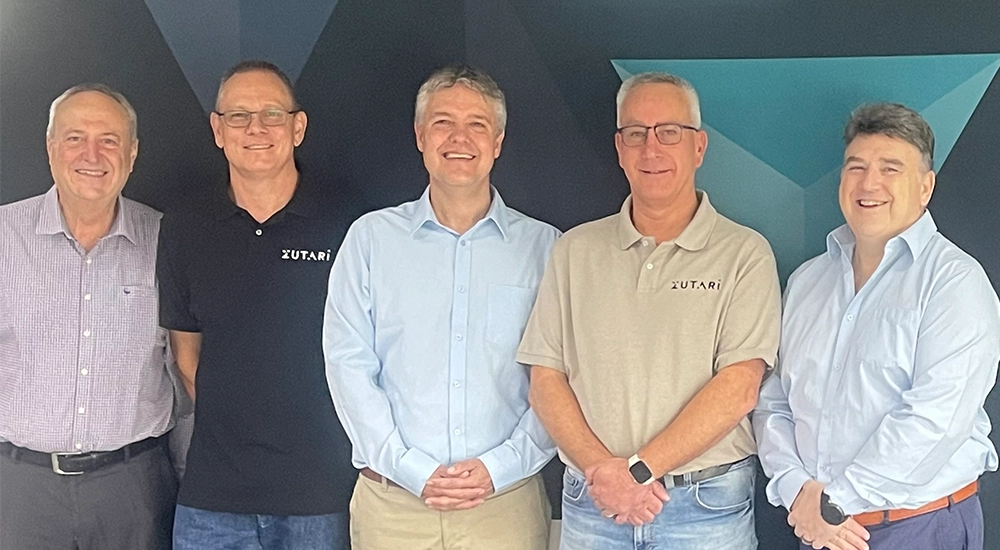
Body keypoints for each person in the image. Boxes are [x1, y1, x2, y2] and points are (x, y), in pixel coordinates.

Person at [517, 71, 781, 549]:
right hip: (594, 504)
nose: (651, 149)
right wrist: (605, 475)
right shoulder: (574, 250)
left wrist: (638, 473)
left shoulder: (745, 253)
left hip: (705, 510)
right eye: (636, 133)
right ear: (619, 148)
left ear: (698, 147)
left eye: (669, 132)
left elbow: (739, 387)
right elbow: (545, 381)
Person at [323, 65, 558, 550]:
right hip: (392, 507)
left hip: (504, 507)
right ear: (419, 136)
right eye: (442, 122)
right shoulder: (371, 240)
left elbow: (560, 378)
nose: (459, 138)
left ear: (497, 142)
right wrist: (410, 469)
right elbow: (348, 365)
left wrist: (500, 467)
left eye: (477, 125)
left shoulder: (545, 249)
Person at [754, 102, 1000, 550]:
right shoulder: (807, 282)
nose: (869, 183)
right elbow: (774, 400)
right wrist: (795, 489)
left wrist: (833, 504)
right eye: (857, 167)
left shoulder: (955, 283)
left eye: (891, 169)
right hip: (816, 525)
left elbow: (936, 420)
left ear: (925, 187)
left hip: (918, 528)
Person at [158, 60, 354, 549]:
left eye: (271, 114)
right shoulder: (184, 225)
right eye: (239, 116)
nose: (256, 129)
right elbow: (186, 356)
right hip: (213, 497)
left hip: (321, 493)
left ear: (298, 127)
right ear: (217, 130)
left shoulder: (348, 223)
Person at [0, 83, 177, 549]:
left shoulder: (168, 242)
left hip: (133, 489)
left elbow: (188, 369)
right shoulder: (2, 236)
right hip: (18, 491)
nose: (91, 155)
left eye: (109, 140)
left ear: (133, 153)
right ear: (50, 147)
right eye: (75, 138)